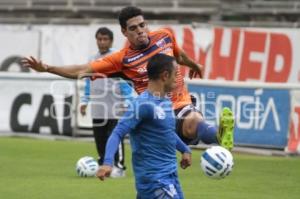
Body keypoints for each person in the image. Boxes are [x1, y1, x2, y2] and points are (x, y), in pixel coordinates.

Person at [21, 6, 234, 150]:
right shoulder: (121, 60)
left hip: (180, 102)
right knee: (158, 165)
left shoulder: (164, 36)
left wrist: (193, 64)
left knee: (193, 123)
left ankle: (220, 136)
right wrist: (48, 68)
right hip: (154, 111)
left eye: (142, 25)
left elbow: (178, 55)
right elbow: (81, 70)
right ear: (124, 32)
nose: (141, 31)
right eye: (133, 28)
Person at [98, 54, 192, 198]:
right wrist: (108, 162)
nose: (178, 78)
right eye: (176, 73)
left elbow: (166, 132)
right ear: (165, 75)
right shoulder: (143, 104)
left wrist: (184, 149)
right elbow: (118, 132)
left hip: (170, 175)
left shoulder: (165, 101)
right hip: (154, 180)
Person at [80, 27, 131, 177]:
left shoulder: (116, 57)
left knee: (115, 136)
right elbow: (89, 83)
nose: (102, 42)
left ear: (111, 40)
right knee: (100, 138)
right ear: (96, 40)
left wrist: (128, 102)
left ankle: (119, 167)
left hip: (116, 107)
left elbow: (125, 82)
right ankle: (104, 165)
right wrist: (85, 101)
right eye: (99, 39)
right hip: (98, 107)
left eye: (105, 39)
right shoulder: (92, 60)